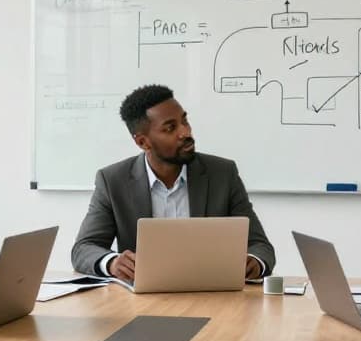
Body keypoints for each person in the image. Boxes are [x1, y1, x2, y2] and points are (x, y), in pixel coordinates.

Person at [71, 84, 275, 281]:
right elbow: (84, 248)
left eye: (184, 121)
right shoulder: (113, 180)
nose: (185, 132)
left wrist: (254, 262)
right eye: (170, 128)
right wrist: (113, 263)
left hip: (214, 296)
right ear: (143, 142)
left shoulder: (222, 173)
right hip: (141, 302)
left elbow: (260, 245)